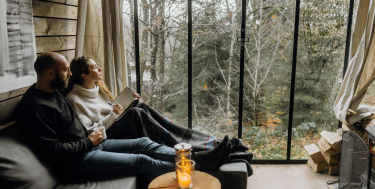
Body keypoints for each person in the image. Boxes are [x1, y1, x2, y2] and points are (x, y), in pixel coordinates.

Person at [14, 52, 231, 181]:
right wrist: (88, 141)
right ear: (50, 74)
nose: (69, 74)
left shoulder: (54, 91)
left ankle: (198, 156)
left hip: (92, 145)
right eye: (65, 71)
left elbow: (90, 108)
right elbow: (54, 152)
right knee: (141, 160)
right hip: (75, 162)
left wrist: (94, 136)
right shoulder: (34, 106)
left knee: (145, 143)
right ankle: (200, 168)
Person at [65, 55, 250, 155]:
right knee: (136, 114)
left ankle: (212, 141)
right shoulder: (74, 100)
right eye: (95, 67)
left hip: (115, 124)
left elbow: (112, 110)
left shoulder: (98, 89)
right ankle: (191, 149)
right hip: (105, 136)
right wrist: (114, 114)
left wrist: (129, 103)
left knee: (141, 108)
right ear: (84, 75)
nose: (99, 69)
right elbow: (89, 131)